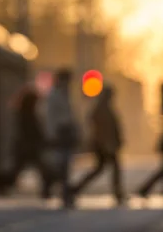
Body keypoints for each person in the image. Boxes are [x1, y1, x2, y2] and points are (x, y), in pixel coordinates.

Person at [72, 85, 125, 204]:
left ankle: (75, 189)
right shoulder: (102, 109)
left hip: (104, 144)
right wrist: (107, 142)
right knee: (110, 168)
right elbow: (104, 129)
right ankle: (118, 192)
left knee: (100, 169)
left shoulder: (103, 108)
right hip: (104, 145)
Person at [9, 84, 53, 198]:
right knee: (42, 169)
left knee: (19, 168)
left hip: (25, 146)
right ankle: (46, 190)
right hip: (30, 146)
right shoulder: (28, 115)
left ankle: (7, 184)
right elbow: (33, 130)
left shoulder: (22, 114)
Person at [44, 68, 78, 208]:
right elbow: (51, 117)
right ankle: (63, 193)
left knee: (65, 166)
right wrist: (52, 135)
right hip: (60, 133)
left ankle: (64, 193)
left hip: (66, 133)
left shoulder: (65, 95)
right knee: (61, 165)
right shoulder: (54, 95)